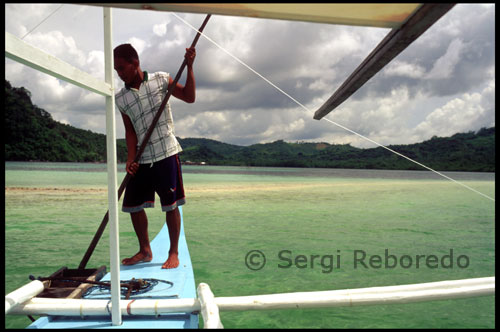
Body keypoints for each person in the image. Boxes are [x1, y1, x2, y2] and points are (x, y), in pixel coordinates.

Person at [113, 43, 196, 269]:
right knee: (132, 205)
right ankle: (145, 250)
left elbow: (189, 97)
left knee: (171, 205)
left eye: (122, 68)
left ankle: (173, 252)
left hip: (166, 153)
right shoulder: (120, 98)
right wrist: (130, 159)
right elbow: (130, 131)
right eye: (116, 70)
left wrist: (189, 66)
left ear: (135, 63)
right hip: (141, 157)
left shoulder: (161, 79)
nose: (119, 74)